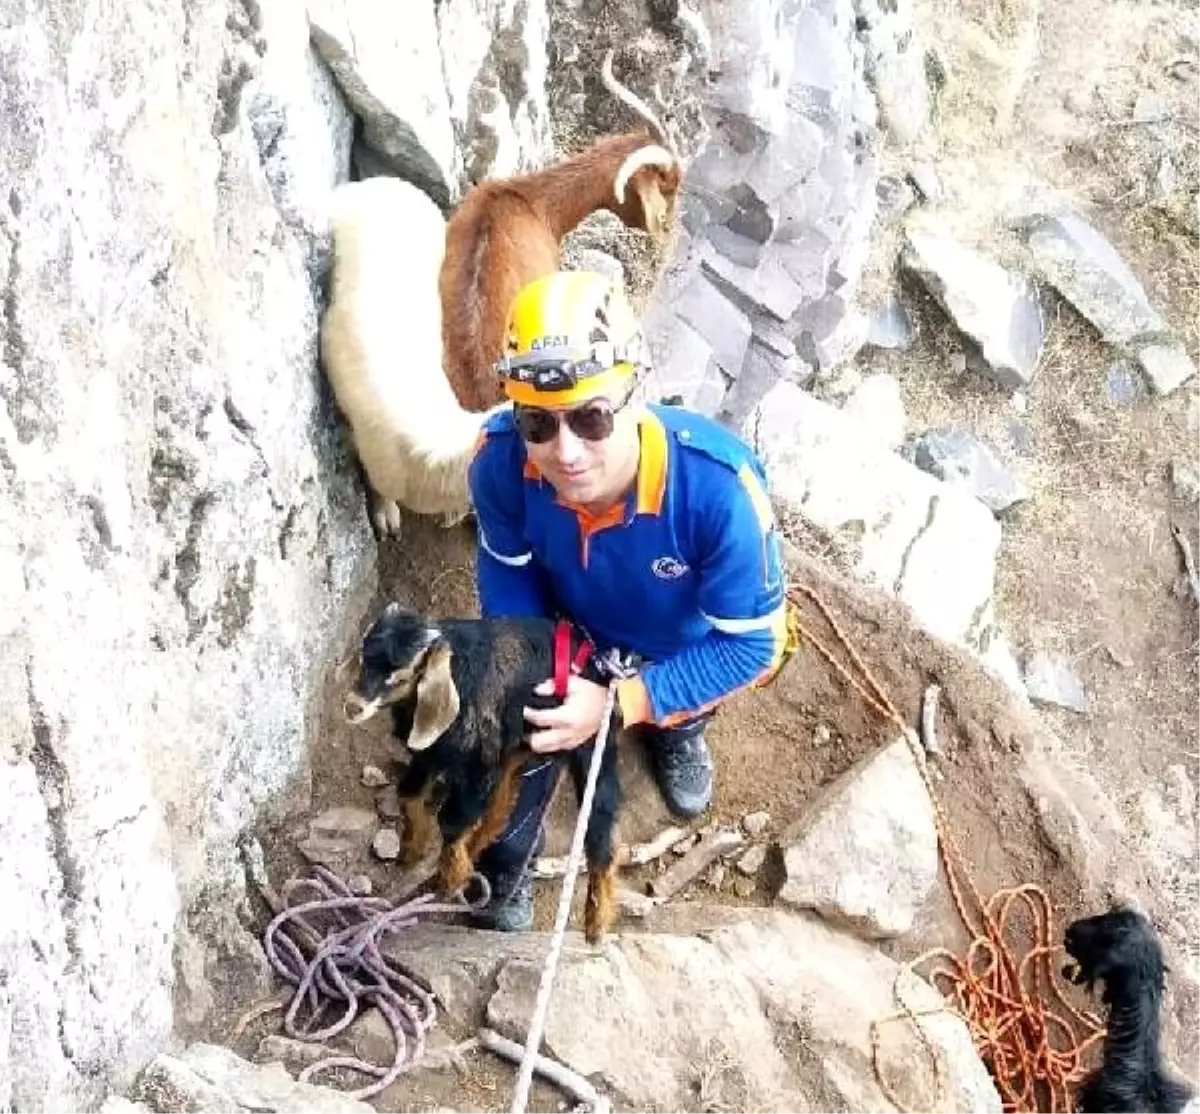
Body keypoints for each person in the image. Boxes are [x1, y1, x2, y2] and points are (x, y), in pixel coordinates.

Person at [464, 269, 793, 931]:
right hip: (570, 627)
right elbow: (507, 573)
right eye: (538, 422)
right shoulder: (501, 460)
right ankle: (505, 871)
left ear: (635, 396)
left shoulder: (716, 493)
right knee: (524, 721)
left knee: (672, 701)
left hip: (671, 644)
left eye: (591, 418)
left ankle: (678, 730)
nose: (566, 453)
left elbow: (756, 642)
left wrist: (625, 701)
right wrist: (532, 663)